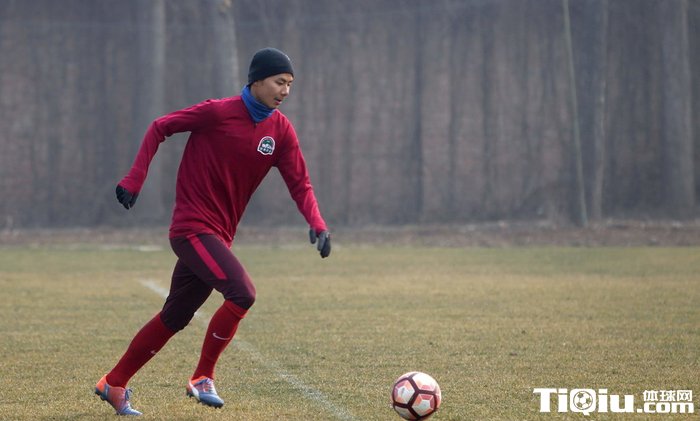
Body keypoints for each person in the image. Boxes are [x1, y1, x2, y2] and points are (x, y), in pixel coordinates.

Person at [95, 47, 331, 416]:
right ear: (256, 80)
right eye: (279, 82)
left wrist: (317, 222)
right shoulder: (218, 112)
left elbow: (300, 183)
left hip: (218, 236)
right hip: (191, 228)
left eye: (290, 84)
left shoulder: (281, 131)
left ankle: (114, 382)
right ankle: (202, 377)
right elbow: (160, 127)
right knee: (242, 293)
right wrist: (134, 179)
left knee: (176, 315)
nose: (285, 91)